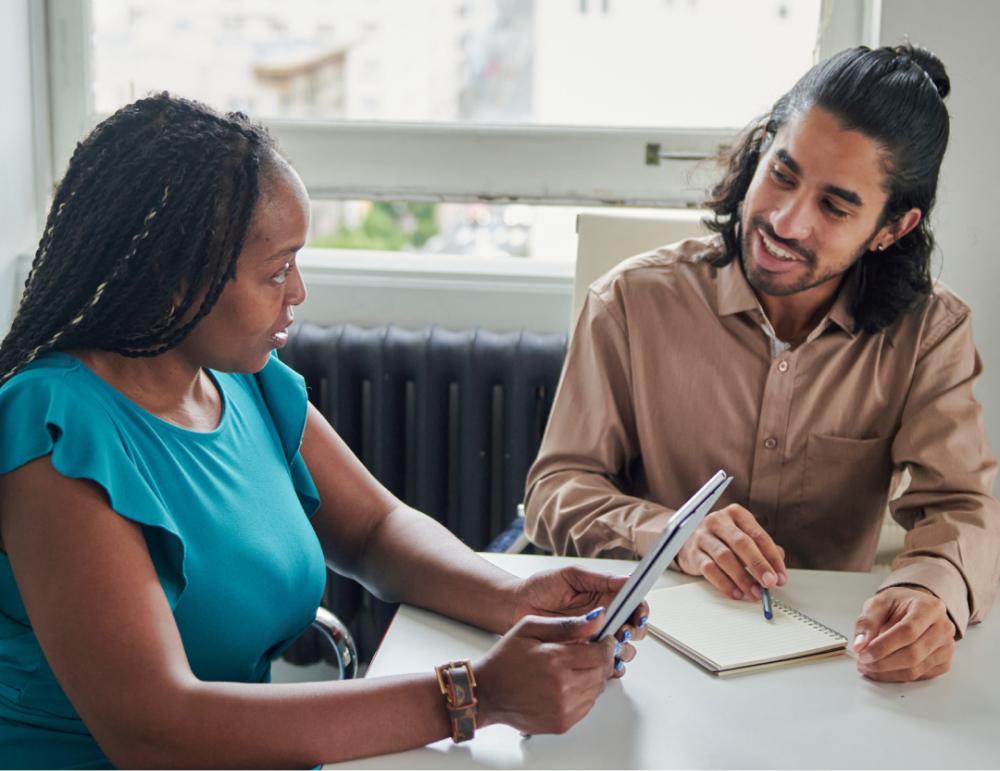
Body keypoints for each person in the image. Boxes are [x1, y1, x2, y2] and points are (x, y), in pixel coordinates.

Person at [0, 94, 649, 769]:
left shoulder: (244, 382)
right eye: (276, 270)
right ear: (173, 282)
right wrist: (473, 697)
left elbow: (374, 529)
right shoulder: (53, 431)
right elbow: (156, 730)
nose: (299, 292)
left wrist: (508, 596)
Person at [525, 43, 1000, 684]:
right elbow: (556, 492)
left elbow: (960, 507)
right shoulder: (630, 302)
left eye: (835, 206)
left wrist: (932, 595)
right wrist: (672, 533)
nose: (784, 220)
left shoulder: (930, 335)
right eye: (782, 173)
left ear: (893, 227)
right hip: (647, 654)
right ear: (763, 148)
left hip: (833, 665)